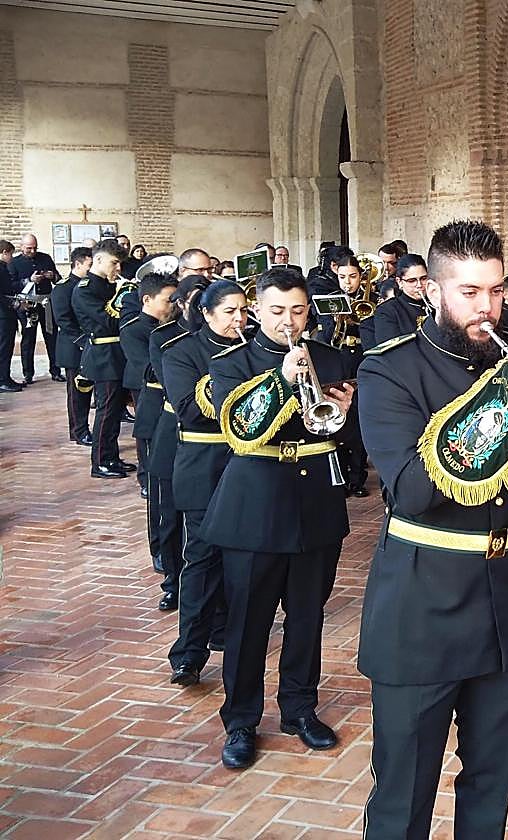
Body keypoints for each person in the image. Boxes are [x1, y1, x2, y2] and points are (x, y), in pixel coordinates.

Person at [356, 219, 508, 837]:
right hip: (421, 604)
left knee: (492, 784)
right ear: (433, 290)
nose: (488, 308)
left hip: (506, 596)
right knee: (403, 797)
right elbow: (414, 492)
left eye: (498, 291)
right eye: (470, 293)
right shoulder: (391, 372)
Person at [202, 266, 356, 770]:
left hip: (315, 500)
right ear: (257, 310)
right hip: (256, 503)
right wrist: (282, 379)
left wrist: (348, 410)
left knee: (308, 616)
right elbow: (238, 425)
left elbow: (347, 437)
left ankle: (299, 709)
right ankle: (241, 720)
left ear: (308, 309)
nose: (287, 320)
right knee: (248, 622)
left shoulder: (332, 357)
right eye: (275, 311)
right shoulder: (232, 363)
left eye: (296, 310)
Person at [163, 280, 247, 686]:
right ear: (208, 313)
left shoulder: (257, 350)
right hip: (204, 464)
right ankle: (188, 653)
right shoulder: (182, 352)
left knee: (244, 557)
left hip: (248, 466)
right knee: (202, 558)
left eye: (244, 310)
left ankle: (229, 630)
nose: (239, 319)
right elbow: (188, 409)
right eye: (230, 312)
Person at [146, 274, 207, 613]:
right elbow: (175, 390)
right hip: (175, 430)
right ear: (182, 303)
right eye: (195, 301)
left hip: (214, 438)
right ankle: (172, 582)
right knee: (169, 516)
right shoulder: (165, 339)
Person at [72, 239, 132, 478]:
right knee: (106, 410)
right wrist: (124, 295)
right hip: (103, 356)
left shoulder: (108, 285)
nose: (117, 268)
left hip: (118, 354)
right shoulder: (85, 289)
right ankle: (100, 462)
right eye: (114, 262)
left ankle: (112, 456)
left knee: (115, 410)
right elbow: (108, 321)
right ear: (98, 260)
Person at [313, 254, 370, 497]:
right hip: (338, 363)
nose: (347, 282)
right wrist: (335, 320)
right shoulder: (329, 301)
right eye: (342, 277)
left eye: (353, 277)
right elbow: (324, 340)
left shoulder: (370, 301)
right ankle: (343, 475)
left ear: (361, 277)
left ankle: (357, 478)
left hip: (361, 361)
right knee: (339, 415)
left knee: (358, 418)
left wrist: (358, 320)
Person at [120, 272, 179, 497]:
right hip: (151, 392)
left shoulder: (175, 326)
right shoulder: (133, 329)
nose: (173, 306)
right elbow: (147, 368)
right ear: (147, 299)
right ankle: (147, 479)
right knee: (150, 438)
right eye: (167, 301)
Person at [51, 247, 93, 442]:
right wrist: (83, 341)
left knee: (89, 390)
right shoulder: (64, 287)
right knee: (77, 393)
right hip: (74, 347)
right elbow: (63, 319)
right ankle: (79, 431)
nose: (91, 269)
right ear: (78, 264)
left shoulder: (89, 285)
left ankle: (84, 429)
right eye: (89, 265)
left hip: (91, 345)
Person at [12, 233, 62, 384]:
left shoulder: (45, 258)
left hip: (46, 303)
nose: (32, 251)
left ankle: (56, 371)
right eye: (28, 248)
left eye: (34, 248)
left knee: (52, 338)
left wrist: (51, 275)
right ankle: (28, 374)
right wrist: (28, 281)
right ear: (22, 247)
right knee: (28, 340)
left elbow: (58, 279)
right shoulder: (14, 263)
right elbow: (11, 284)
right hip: (27, 305)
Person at [370, 253, 429, 347]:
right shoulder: (387, 310)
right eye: (412, 281)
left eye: (423, 278)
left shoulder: (437, 304)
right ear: (399, 282)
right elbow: (389, 348)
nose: (419, 285)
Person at [0, 240, 21, 392]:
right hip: (3, 316)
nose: (12, 258)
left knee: (7, 348)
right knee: (4, 348)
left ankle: (6, 377)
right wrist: (14, 304)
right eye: (11, 254)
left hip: (5, 314)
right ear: (4, 253)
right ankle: (3, 380)